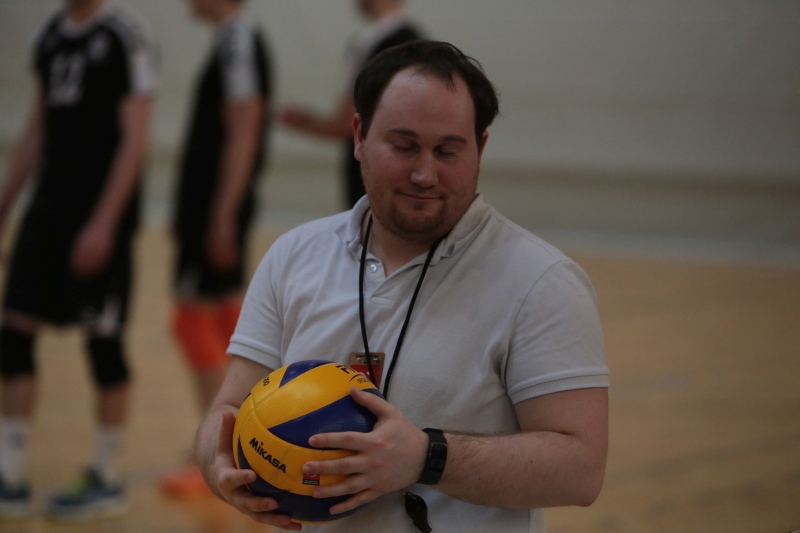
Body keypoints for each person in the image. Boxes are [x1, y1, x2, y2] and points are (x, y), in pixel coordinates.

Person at [196, 40, 609, 532]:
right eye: (404, 146)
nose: (424, 173)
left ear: (480, 149)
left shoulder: (541, 281)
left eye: (448, 151)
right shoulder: (293, 255)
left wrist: (426, 457)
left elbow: (580, 470)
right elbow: (229, 408)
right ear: (358, 136)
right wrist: (219, 467)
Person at [0, 0, 157, 521]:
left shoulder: (126, 34)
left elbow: (135, 137)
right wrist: (5, 205)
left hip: (99, 214)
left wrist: (105, 221)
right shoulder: (49, 35)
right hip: (47, 210)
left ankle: (105, 475)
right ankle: (9, 473)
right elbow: (37, 129)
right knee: (14, 331)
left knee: (102, 341)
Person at [161, 0, 272, 498]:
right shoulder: (233, 40)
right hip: (209, 210)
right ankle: (247, 442)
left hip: (214, 211)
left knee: (192, 319)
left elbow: (245, 124)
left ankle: (217, 450)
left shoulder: (238, 40)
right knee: (229, 320)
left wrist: (222, 215)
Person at [280, 0, 423, 209]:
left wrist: (303, 123)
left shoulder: (392, 44)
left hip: (378, 180)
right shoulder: (392, 40)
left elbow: (349, 123)